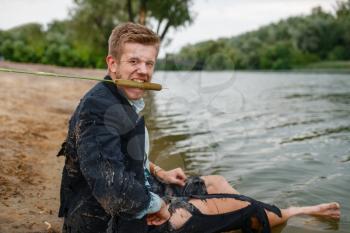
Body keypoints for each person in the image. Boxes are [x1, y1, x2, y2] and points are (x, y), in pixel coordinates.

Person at [57, 23, 340, 233]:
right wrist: (159, 206)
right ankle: (291, 212)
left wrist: (158, 171)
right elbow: (112, 189)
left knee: (215, 183)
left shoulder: (119, 97)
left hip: (137, 191)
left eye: (149, 63)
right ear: (112, 63)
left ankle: (244, 218)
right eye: (134, 61)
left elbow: (118, 154)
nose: (143, 71)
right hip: (112, 222)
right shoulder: (99, 108)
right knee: (247, 209)